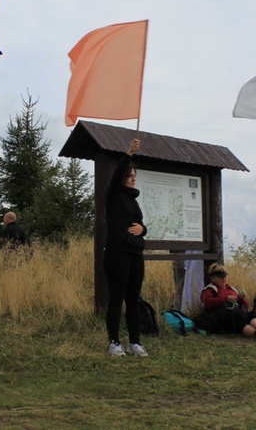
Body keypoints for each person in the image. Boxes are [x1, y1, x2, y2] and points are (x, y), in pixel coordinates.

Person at [104, 138, 149, 357]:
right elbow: (115, 176)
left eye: (134, 176)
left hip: (135, 254)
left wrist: (144, 230)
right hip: (117, 254)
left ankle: (135, 342)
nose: (132, 179)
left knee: (133, 299)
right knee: (116, 299)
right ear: (121, 178)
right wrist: (129, 152)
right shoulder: (113, 195)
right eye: (129, 176)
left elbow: (140, 225)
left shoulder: (133, 201)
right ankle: (114, 343)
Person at [195, 264, 256, 338]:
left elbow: (246, 306)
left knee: (251, 315)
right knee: (239, 322)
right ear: (213, 278)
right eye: (220, 277)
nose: (223, 279)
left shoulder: (232, 289)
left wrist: (241, 299)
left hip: (238, 313)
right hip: (222, 317)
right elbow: (208, 303)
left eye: (224, 276)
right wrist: (226, 298)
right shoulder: (210, 289)